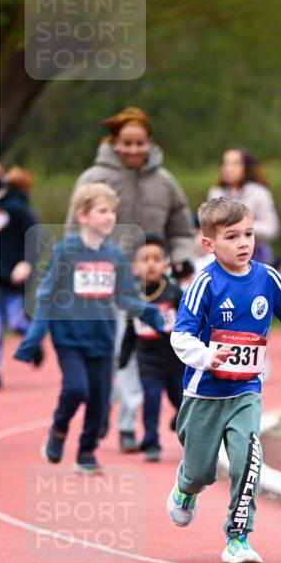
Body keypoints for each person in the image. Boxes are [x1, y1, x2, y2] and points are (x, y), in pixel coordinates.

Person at [166, 197, 281, 563]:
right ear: (209, 244)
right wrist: (206, 356)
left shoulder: (268, 278)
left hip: (246, 391)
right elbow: (180, 336)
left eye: (249, 234)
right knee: (200, 473)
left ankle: (238, 537)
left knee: (248, 462)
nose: (244, 243)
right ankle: (185, 487)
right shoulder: (204, 284)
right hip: (204, 392)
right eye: (232, 236)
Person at [67, 107, 195, 452]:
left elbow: (182, 228)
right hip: (105, 280)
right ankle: (110, 414)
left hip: (151, 285)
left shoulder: (164, 181)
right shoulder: (94, 179)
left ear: (149, 143)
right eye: (127, 143)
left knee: (146, 351)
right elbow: (73, 233)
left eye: (140, 143)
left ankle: (136, 421)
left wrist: (181, 256)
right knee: (111, 354)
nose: (134, 149)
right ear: (114, 142)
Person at [13, 183, 164, 474]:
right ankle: (58, 428)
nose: (109, 217)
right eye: (102, 211)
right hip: (68, 337)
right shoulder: (65, 252)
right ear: (83, 215)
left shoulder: (115, 255)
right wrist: (34, 337)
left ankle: (86, 452)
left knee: (99, 398)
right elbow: (46, 295)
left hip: (103, 338)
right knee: (76, 388)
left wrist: (151, 313)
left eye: (112, 212)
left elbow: (125, 297)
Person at [119, 235, 184, 461]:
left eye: (157, 259)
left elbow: (189, 323)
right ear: (135, 267)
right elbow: (130, 330)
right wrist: (123, 357)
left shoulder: (174, 292)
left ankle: (185, 428)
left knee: (183, 403)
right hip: (148, 362)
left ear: (165, 264)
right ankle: (151, 443)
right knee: (151, 401)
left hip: (176, 361)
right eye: (145, 259)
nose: (151, 264)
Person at [0, 163, 44, 387]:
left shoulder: (15, 206)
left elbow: (36, 236)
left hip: (14, 275)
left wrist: (26, 263)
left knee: (16, 322)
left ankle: (33, 341)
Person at [208, 146, 280, 265]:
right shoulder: (216, 193)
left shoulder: (259, 193)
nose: (228, 168)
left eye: (235, 164)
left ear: (247, 167)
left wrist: (241, 228)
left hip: (256, 258)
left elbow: (271, 228)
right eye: (225, 163)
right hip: (224, 260)